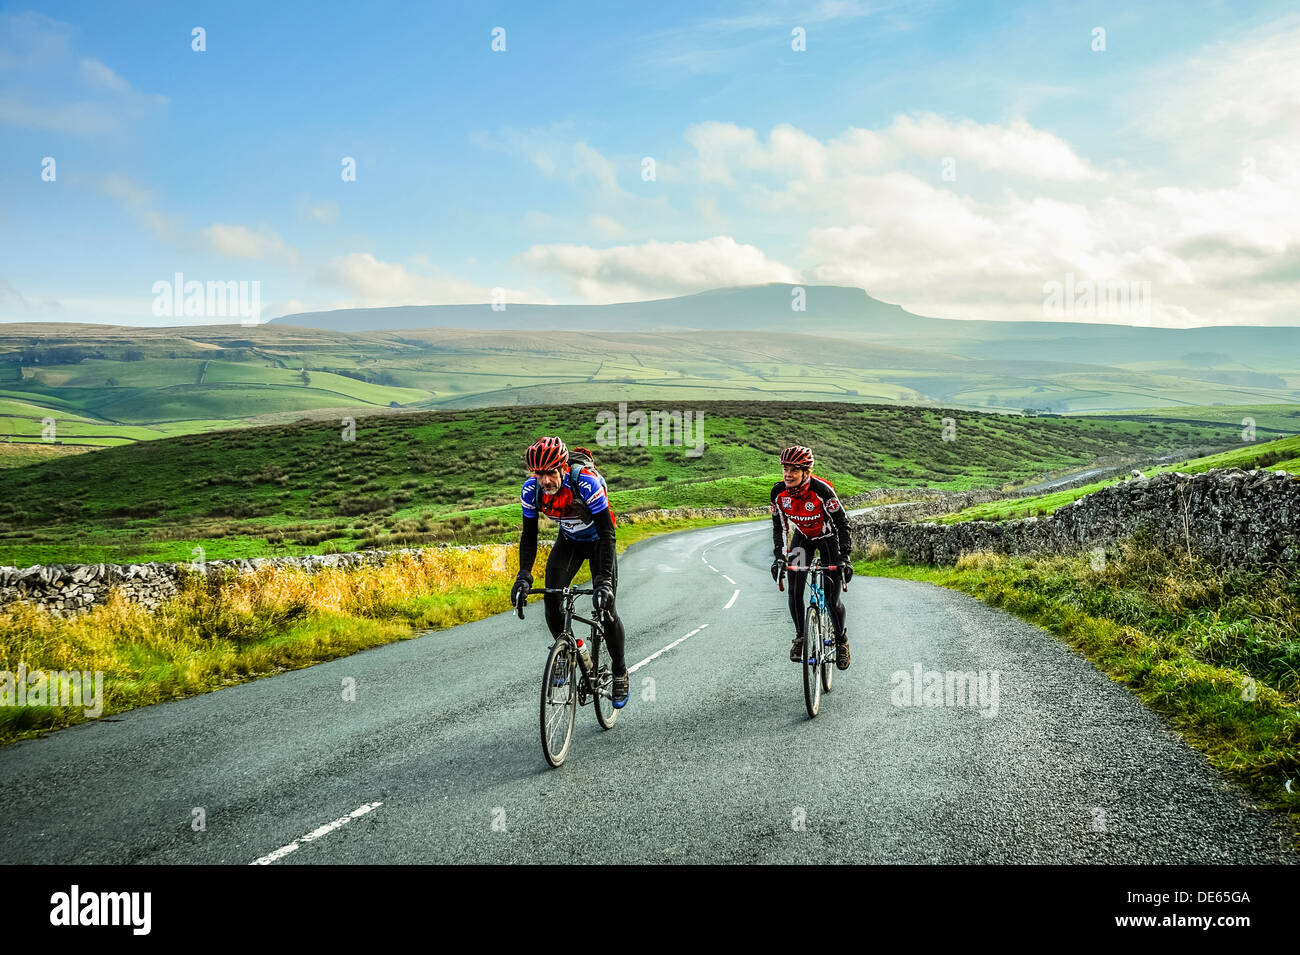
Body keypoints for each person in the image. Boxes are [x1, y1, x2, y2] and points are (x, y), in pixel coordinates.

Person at [511, 436, 629, 707]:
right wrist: (524, 575)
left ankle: (620, 671)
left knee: (606, 609)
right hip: (570, 542)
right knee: (552, 601)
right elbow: (529, 536)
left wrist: (603, 580)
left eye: (550, 474)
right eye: (539, 475)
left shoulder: (586, 482)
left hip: (599, 541)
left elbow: (607, 532)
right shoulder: (532, 491)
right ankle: (568, 653)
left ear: (563, 468)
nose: (545, 482)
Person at [769, 445, 853, 669]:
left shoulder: (822, 490)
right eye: (785, 469)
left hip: (829, 539)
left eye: (794, 470)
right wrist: (780, 557)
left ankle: (841, 640)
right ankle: (801, 638)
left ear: (806, 472)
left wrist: (844, 557)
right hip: (803, 539)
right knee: (795, 590)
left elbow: (843, 524)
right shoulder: (778, 493)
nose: (788, 474)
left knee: (830, 599)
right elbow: (780, 527)